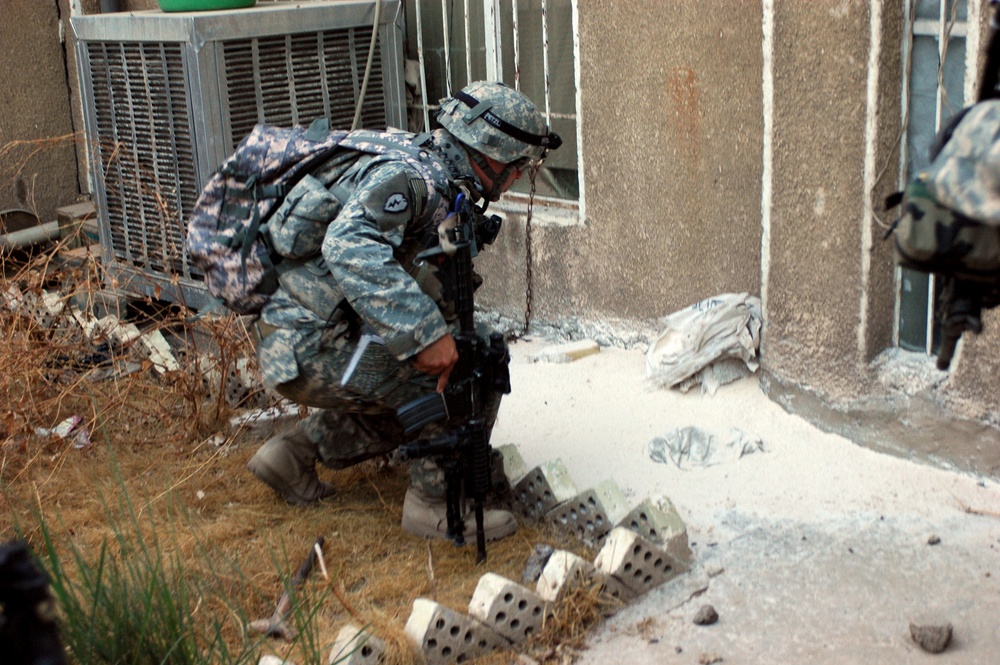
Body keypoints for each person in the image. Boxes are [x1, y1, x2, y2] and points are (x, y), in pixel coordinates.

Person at [245, 81, 561, 543]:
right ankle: (433, 503)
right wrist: (424, 333)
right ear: (487, 156)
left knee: (456, 351)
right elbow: (348, 244)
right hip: (310, 345)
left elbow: (419, 275)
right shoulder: (414, 180)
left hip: (304, 332)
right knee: (470, 362)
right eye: (515, 168)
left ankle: (293, 454)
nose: (515, 179)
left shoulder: (433, 171)